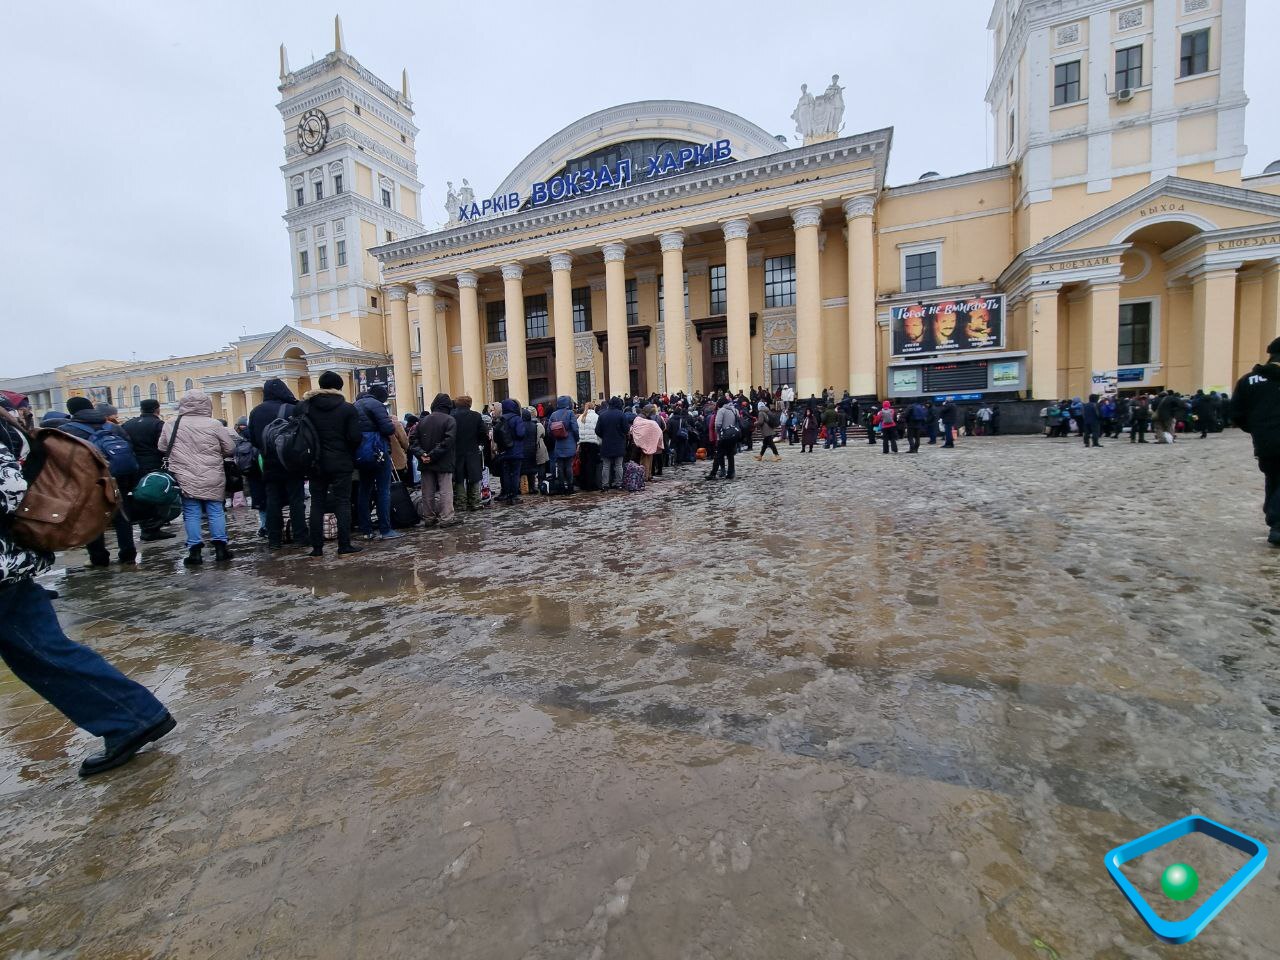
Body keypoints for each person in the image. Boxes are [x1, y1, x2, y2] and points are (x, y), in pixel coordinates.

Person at [0, 408, 177, 776]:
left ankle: (131, 717)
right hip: (10, 562)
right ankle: (131, 716)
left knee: (43, 650)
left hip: (6, 565)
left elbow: (10, 491)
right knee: (42, 650)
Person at [158, 391, 238, 566]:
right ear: (206, 404)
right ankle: (221, 548)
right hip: (212, 472)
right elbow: (230, 448)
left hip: (183, 473)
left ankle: (194, 551)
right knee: (215, 510)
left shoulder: (172, 423)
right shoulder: (214, 424)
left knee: (191, 512)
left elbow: (162, 446)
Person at [59, 398, 139, 567]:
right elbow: (130, 450)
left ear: (71, 411)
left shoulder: (66, 431)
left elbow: (62, 460)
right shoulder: (113, 427)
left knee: (92, 518)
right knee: (122, 517)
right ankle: (128, 554)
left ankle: (99, 557)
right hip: (117, 478)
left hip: (87, 481)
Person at [302, 371, 362, 557]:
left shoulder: (305, 407)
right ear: (339, 387)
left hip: (314, 463)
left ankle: (317, 548)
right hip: (341, 462)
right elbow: (355, 437)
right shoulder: (347, 408)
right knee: (342, 502)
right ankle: (344, 545)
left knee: (317, 504)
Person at [1230, 336, 1280, 546]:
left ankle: (1274, 518)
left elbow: (1235, 413)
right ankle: (1277, 524)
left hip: (1264, 442)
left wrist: (1256, 429)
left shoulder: (1248, 380)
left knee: (1274, 478)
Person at [248, 378, 307, 549]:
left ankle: (274, 539)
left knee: (272, 500)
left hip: (268, 462)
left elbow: (253, 439)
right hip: (291, 461)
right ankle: (300, 536)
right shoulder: (292, 408)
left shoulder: (256, 411)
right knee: (296, 499)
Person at [122, 398, 175, 542]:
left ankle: (145, 526)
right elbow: (165, 445)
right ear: (157, 409)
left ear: (141, 409)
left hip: (134, 466)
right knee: (158, 496)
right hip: (154, 465)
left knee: (141, 496)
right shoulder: (158, 424)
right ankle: (152, 528)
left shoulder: (127, 424)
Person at [353, 383, 401, 541]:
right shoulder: (377, 405)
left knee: (364, 490)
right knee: (383, 490)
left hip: (360, 454)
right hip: (377, 452)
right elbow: (388, 429)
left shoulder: (355, 405)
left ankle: (366, 530)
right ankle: (385, 529)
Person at [412, 393, 459, 527]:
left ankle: (429, 517)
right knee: (445, 490)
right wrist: (432, 455)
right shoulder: (449, 420)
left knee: (427, 490)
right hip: (443, 460)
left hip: (425, 461)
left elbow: (413, 440)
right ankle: (446, 517)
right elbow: (448, 441)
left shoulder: (422, 421)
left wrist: (422, 454)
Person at [450, 395, 486, 511]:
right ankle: (475, 502)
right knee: (474, 476)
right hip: (472, 450)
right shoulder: (476, 416)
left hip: (457, 451)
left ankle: (461, 503)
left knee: (459, 478)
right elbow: (482, 432)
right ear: (469, 404)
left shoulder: (452, 416)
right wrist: (479, 443)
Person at [496, 398, 527, 503]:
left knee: (506, 474)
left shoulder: (500, 419)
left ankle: (507, 494)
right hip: (516, 450)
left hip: (504, 451)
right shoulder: (517, 418)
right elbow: (521, 433)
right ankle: (514, 496)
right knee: (515, 474)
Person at [548, 396, 579, 493]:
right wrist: (576, 439)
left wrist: (556, 437)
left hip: (558, 443)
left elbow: (549, 430)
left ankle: (561, 486)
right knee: (569, 465)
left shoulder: (553, 414)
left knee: (560, 466)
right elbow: (575, 428)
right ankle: (570, 486)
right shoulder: (570, 413)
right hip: (569, 442)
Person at [596, 397, 628, 489]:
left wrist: (604, 436)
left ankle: (605, 485)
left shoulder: (602, 415)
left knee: (606, 465)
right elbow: (626, 429)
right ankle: (619, 484)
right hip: (619, 443)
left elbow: (597, 430)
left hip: (606, 443)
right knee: (618, 465)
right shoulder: (621, 415)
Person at [708, 398, 740, 480]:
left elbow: (718, 424)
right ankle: (731, 472)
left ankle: (713, 473)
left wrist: (718, 432)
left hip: (723, 435)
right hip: (733, 435)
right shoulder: (735, 410)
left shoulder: (721, 411)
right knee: (730, 454)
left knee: (718, 455)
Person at [577, 401, 602, 490]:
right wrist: (599, 442)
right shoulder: (596, 417)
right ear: (593, 407)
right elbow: (599, 431)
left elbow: (578, 430)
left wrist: (579, 442)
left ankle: (583, 484)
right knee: (591, 464)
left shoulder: (580, 417)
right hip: (593, 443)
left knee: (583, 463)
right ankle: (591, 485)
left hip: (583, 443)